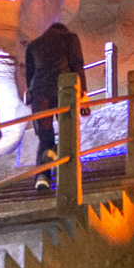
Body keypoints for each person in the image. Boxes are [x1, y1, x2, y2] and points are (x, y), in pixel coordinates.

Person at [22, 21, 89, 195]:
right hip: (63, 90)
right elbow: (76, 66)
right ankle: (65, 172)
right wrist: (84, 96)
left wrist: (32, 96)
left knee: (45, 137)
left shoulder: (34, 45)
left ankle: (43, 176)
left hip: (39, 94)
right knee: (68, 133)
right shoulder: (70, 38)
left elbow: (29, 77)